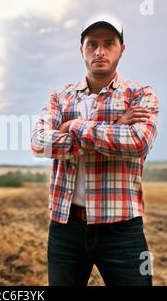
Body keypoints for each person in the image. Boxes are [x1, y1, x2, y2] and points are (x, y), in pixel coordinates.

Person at [30, 15, 159, 286]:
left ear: (121, 49)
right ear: (82, 50)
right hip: (66, 227)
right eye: (92, 44)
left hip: (122, 228)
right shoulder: (60, 96)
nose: (100, 51)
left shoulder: (140, 95)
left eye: (109, 43)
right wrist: (112, 128)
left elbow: (138, 142)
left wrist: (73, 125)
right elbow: (40, 143)